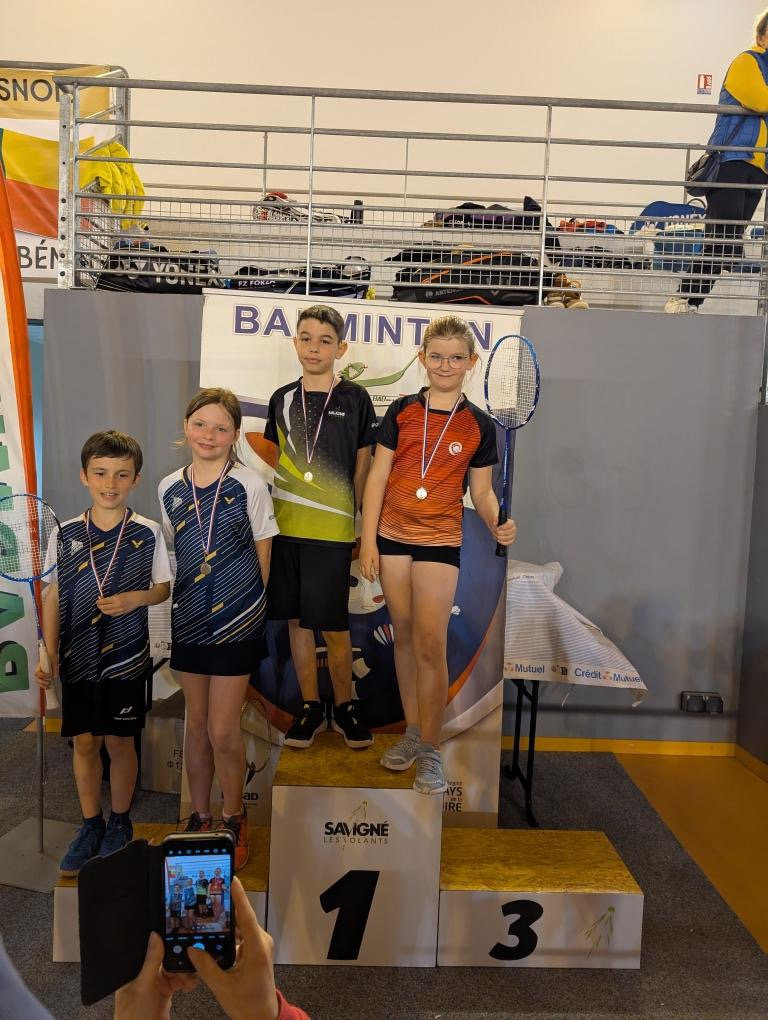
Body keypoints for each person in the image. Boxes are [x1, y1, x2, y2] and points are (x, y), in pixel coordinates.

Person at [359, 315, 517, 795]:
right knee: (404, 639)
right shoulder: (402, 411)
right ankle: (412, 732)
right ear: (422, 358)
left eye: (455, 357)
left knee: (430, 643)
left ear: (472, 362)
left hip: (439, 542)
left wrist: (497, 521)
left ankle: (431, 748)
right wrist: (368, 540)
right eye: (437, 356)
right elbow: (378, 477)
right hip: (392, 538)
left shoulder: (478, 425)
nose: (445, 365)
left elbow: (482, 492)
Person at [36, 431, 171, 874]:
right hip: (78, 659)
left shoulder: (148, 532)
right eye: (100, 473)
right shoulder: (65, 534)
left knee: (119, 740)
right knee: (85, 741)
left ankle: (119, 820)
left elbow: (162, 588)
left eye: (121, 475)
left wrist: (135, 599)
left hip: (126, 657)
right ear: (84, 476)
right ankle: (90, 823)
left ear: (135, 479)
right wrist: (47, 651)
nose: (110, 484)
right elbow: (53, 595)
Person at [159, 388, 278, 871]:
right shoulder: (169, 487)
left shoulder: (250, 484)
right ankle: (200, 815)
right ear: (186, 427)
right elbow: (177, 551)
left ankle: (233, 817)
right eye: (200, 424)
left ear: (234, 436)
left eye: (221, 428)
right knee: (196, 727)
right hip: (189, 619)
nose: (208, 435)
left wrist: (250, 611)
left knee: (223, 729)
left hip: (237, 621)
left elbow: (264, 552)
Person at [264, 304, 377, 750]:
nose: (314, 348)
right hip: (287, 527)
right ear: (295, 343)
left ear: (340, 348)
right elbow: (275, 462)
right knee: (297, 622)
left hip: (332, 531)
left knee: (333, 624)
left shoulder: (355, 399)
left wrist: (356, 521)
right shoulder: (281, 398)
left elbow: (364, 467)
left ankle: (345, 706)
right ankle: (311, 706)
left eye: (325, 341)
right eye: (306, 339)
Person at [666, 9, 768, 313]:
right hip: (732, 160)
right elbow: (760, 100)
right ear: (762, 36)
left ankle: (691, 302)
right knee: (721, 239)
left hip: (758, 168)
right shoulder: (747, 61)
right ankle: (682, 298)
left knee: (728, 245)